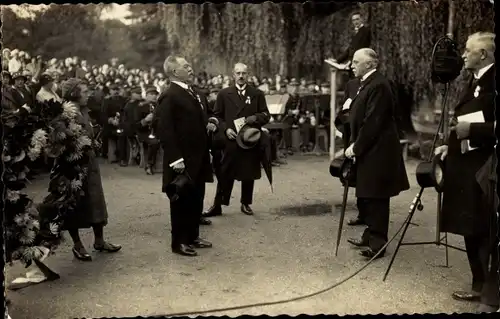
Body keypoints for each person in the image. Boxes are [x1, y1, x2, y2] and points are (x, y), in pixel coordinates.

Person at [434, 32, 497, 313]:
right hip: (465, 162)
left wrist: (470, 131)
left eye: (468, 51)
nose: (462, 55)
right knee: (470, 226)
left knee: (483, 228)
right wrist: (450, 146)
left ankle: (488, 288)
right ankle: (478, 283)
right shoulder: (474, 80)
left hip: (484, 167)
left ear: (483, 54)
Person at [344, 48, 410, 259]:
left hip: (378, 150)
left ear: (370, 65)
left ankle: (378, 244)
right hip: (370, 149)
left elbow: (373, 121)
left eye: (356, 62)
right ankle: (370, 234)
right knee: (369, 194)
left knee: (377, 196)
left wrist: (356, 147)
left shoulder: (379, 85)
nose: (351, 65)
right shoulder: (366, 83)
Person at [156, 55, 217, 257]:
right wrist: (176, 159)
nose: (190, 68)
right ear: (175, 72)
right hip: (182, 159)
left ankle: (192, 236)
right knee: (181, 200)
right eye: (185, 66)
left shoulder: (194, 93)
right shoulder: (170, 95)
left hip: (198, 156)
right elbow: (164, 129)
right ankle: (179, 242)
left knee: (196, 197)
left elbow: (199, 120)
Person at [60, 78, 121, 261]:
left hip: (90, 162)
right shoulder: (64, 113)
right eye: (84, 92)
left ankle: (99, 241)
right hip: (72, 164)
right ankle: (77, 244)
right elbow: (59, 139)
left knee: (95, 198)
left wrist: (94, 142)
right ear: (73, 94)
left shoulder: (84, 111)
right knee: (73, 201)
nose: (88, 95)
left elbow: (87, 133)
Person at [203, 62, 271, 217]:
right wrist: (226, 128)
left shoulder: (257, 94)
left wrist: (255, 118)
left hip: (249, 138)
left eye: (244, 73)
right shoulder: (223, 94)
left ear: (248, 75)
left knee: (249, 171)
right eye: (238, 73)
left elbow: (266, 115)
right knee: (225, 172)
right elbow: (216, 116)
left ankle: (246, 203)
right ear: (233, 75)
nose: (241, 76)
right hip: (231, 139)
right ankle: (218, 205)